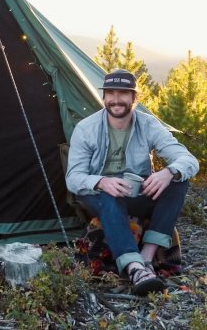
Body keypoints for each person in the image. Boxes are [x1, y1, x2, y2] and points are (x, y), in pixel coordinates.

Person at [66, 69, 199, 296]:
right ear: (104, 97)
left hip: (135, 193)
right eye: (110, 93)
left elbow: (188, 160)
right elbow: (73, 178)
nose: (116, 99)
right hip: (98, 195)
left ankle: (147, 257)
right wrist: (101, 182)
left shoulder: (148, 124)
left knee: (178, 181)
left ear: (135, 98)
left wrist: (169, 172)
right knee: (110, 194)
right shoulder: (86, 128)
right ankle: (135, 268)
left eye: (123, 94)